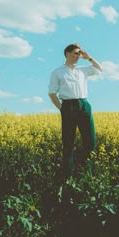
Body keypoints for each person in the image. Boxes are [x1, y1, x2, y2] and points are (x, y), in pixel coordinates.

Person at [48, 43, 102, 180]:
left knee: (90, 141)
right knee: (68, 143)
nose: (78, 56)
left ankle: (87, 175)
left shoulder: (82, 70)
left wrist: (88, 57)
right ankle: (68, 177)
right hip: (68, 106)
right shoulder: (57, 72)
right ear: (67, 54)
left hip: (84, 105)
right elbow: (52, 93)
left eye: (79, 54)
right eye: (75, 53)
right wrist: (62, 109)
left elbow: (99, 69)